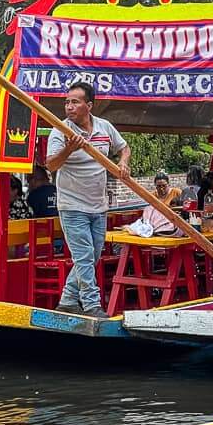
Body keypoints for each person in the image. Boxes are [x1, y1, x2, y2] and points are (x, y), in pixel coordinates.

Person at [47, 82, 130, 318]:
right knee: (83, 257)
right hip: (72, 205)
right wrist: (69, 150)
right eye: (67, 102)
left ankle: (68, 300)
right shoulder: (60, 131)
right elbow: (51, 164)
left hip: (98, 205)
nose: (69, 107)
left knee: (92, 257)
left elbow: (124, 148)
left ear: (89, 105)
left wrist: (123, 162)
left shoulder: (104, 127)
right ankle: (92, 305)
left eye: (75, 102)